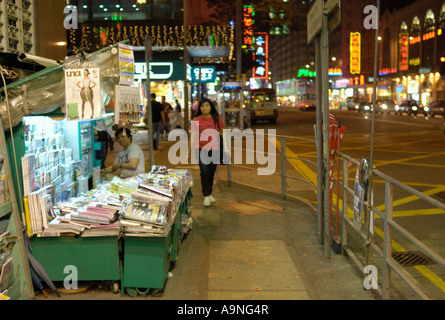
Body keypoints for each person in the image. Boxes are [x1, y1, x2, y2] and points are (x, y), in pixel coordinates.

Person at [192, 98, 225, 207]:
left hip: (215, 150)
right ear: (199, 108)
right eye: (202, 106)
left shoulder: (216, 118)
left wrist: (225, 148)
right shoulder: (196, 120)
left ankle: (209, 193)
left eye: (207, 105)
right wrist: (189, 152)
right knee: (204, 171)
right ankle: (206, 195)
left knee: (211, 173)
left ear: (210, 106)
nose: (204, 108)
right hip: (201, 150)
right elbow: (193, 137)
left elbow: (223, 132)